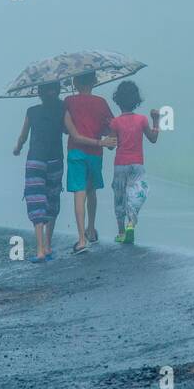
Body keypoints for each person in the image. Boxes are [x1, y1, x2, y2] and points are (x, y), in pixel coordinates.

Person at [12, 80, 66, 263]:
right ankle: (49, 246)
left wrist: (17, 148)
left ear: (39, 93)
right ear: (58, 91)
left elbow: (23, 136)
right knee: (52, 200)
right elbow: (67, 130)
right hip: (55, 160)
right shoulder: (61, 110)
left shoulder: (32, 111)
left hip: (35, 159)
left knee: (36, 201)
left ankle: (41, 250)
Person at [63, 70, 115, 253]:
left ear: (75, 83)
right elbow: (111, 126)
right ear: (94, 82)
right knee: (92, 191)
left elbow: (65, 128)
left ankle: (81, 239)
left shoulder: (69, 102)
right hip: (95, 153)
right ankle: (91, 230)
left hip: (76, 152)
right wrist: (108, 142)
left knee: (79, 192)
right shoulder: (101, 103)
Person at [107, 80, 161, 245]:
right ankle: (131, 223)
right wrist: (156, 120)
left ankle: (121, 232)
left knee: (119, 197)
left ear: (117, 100)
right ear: (136, 100)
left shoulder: (115, 122)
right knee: (138, 193)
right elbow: (153, 139)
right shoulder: (142, 120)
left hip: (120, 165)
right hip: (137, 164)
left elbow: (111, 146)